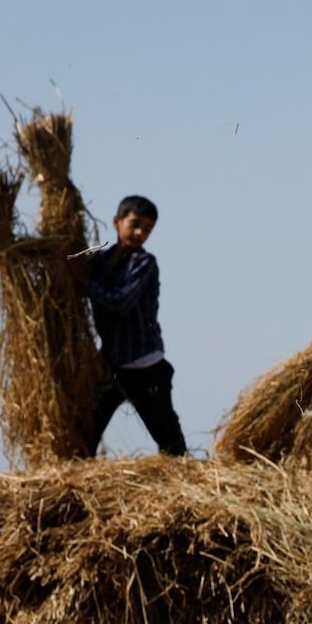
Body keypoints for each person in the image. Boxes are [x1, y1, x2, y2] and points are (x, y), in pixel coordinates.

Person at [79, 194, 189, 457]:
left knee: (170, 443)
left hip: (145, 366)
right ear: (117, 222)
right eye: (135, 224)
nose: (140, 233)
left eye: (147, 229)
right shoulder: (100, 261)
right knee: (83, 436)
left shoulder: (144, 263)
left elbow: (119, 302)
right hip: (111, 366)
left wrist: (83, 284)